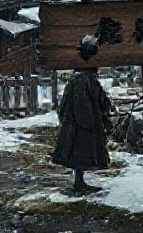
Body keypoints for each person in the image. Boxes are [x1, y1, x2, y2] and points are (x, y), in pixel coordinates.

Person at [51, 36, 113, 194]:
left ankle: (80, 181)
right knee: (80, 151)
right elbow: (81, 105)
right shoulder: (81, 80)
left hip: (83, 122)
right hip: (80, 125)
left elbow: (98, 97)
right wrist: (89, 122)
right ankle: (79, 182)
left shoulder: (86, 78)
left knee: (82, 152)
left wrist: (105, 107)